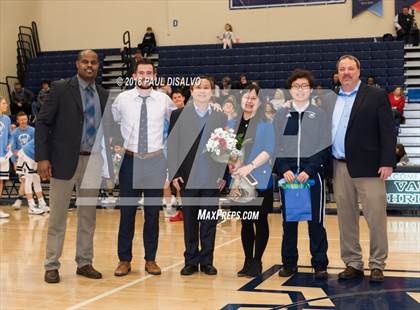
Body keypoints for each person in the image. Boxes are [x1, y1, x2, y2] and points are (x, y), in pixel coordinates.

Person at [36, 49, 111, 283]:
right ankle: (51, 264)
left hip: (93, 161)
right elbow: (42, 123)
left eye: (93, 62)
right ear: (77, 64)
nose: (89, 66)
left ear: (98, 66)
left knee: (88, 217)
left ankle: (84, 262)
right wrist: (42, 158)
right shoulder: (60, 88)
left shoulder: (103, 94)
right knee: (58, 215)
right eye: (85, 62)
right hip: (63, 161)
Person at [331, 55, 395, 282]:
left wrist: (387, 161)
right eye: (342, 69)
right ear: (337, 74)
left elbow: (388, 130)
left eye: (350, 68)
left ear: (358, 71)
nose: (346, 72)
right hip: (340, 166)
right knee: (346, 218)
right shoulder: (332, 98)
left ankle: (377, 264)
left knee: (376, 217)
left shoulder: (375, 95)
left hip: (370, 168)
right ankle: (353, 263)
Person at [111, 58, 176, 277]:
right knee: (127, 213)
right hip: (130, 161)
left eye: (149, 72)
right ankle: (124, 260)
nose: (145, 75)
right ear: (134, 76)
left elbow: (178, 120)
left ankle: (151, 259)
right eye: (141, 72)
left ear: (154, 76)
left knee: (151, 214)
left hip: (155, 161)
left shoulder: (164, 100)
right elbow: (113, 123)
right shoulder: (122, 99)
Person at [273, 70, 330, 279]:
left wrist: (309, 169)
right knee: (289, 222)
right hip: (288, 177)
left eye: (304, 86)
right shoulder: (281, 115)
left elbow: (324, 146)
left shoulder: (319, 115)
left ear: (310, 89)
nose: (300, 89)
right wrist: (284, 168)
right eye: (296, 86)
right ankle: (289, 263)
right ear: (290, 90)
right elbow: (275, 145)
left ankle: (320, 263)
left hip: (312, 176)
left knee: (316, 222)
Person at [168, 76, 227, 276]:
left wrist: (223, 174)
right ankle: (191, 261)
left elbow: (224, 148)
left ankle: (207, 261)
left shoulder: (220, 116)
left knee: (209, 221)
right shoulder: (177, 115)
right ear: (192, 91)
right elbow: (173, 146)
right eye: (198, 87)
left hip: (211, 178)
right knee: (190, 221)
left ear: (211, 92)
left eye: (206, 87)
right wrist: (174, 174)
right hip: (187, 179)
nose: (202, 90)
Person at [228, 85, 275, 277]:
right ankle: (247, 260)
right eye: (246, 97)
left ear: (260, 102)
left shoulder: (266, 124)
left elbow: (268, 149)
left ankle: (257, 261)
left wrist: (250, 166)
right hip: (239, 181)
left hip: (259, 178)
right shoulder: (232, 124)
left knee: (260, 220)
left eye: (253, 98)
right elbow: (229, 149)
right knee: (246, 221)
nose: (249, 101)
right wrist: (231, 164)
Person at [16, 139, 49, 214]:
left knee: (37, 179)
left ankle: (42, 204)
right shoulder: (47, 133)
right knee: (28, 180)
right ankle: (31, 206)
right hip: (26, 155)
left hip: (35, 157)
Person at [11, 111, 35, 210]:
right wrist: (14, 162)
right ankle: (23, 200)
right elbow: (13, 149)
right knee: (25, 179)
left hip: (32, 159)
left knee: (32, 180)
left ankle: (23, 200)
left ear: (27, 120)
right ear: (17, 121)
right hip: (20, 159)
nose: (23, 121)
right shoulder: (15, 132)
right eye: (21, 120)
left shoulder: (33, 131)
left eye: (25, 119)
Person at [0, 97, 12, 219]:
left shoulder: (7, 119)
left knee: (1, 181)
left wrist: (10, 144)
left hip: (4, 156)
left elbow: (11, 136)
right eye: (4, 103)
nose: (6, 105)